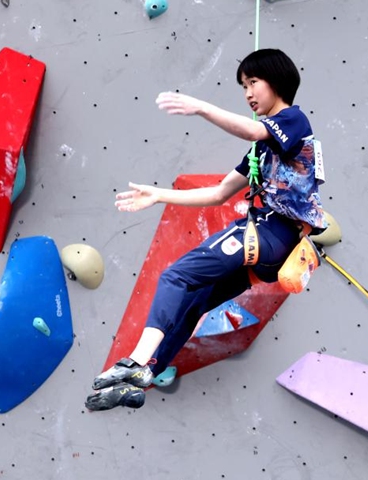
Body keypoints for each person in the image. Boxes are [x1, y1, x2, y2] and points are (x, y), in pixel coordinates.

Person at [85, 48, 326, 411]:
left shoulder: (294, 120)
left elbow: (252, 128)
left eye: (253, 82)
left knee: (174, 277)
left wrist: (201, 107)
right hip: (272, 250)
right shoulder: (262, 149)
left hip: (270, 233)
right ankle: (147, 374)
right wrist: (158, 195)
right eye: (243, 85)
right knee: (194, 300)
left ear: (276, 81)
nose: (247, 93)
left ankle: (135, 360)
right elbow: (218, 193)